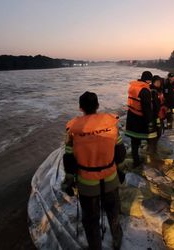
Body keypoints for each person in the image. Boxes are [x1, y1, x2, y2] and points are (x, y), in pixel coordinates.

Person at [63, 91, 126, 250]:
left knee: (91, 220)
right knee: (113, 213)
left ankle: (95, 246)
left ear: (80, 108)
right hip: (111, 179)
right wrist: (120, 170)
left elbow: (69, 159)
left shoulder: (73, 130)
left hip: (87, 184)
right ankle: (117, 240)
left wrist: (69, 180)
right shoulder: (111, 125)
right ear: (97, 106)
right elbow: (120, 153)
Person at [125, 71, 158, 167]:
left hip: (131, 116)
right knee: (151, 138)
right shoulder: (145, 90)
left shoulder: (133, 86)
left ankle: (136, 161)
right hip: (140, 119)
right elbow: (146, 108)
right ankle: (150, 159)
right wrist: (150, 122)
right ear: (149, 80)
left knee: (134, 141)